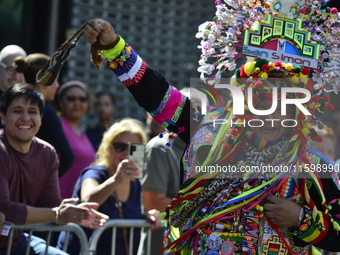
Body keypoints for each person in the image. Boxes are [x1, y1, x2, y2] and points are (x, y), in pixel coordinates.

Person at [80, 13, 340, 254]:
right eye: (260, 102)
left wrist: (300, 219)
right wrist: (115, 47)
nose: (269, 114)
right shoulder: (211, 135)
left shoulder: (313, 166)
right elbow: (158, 94)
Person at [0, 83, 109, 255]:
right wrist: (57, 214)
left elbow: (50, 205)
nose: (26, 117)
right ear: (3, 117)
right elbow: (4, 209)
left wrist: (74, 213)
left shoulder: (47, 152)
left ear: (41, 118)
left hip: (17, 241)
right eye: (17, 111)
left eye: (33, 112)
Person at [57, 118, 160, 255]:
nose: (126, 154)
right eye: (120, 147)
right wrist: (116, 180)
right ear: (108, 149)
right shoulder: (95, 172)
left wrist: (146, 217)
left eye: (134, 148)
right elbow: (87, 201)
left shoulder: (136, 184)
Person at [13, 53, 74, 177]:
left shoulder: (12, 109)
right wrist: (46, 182)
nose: (57, 85)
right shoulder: (47, 113)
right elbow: (68, 156)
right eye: (55, 80)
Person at [55, 80, 96, 199]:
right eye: (71, 99)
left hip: (78, 200)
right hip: (59, 200)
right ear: (61, 101)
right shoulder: (56, 125)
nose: (77, 103)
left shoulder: (81, 130)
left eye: (82, 99)